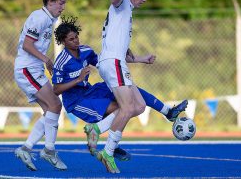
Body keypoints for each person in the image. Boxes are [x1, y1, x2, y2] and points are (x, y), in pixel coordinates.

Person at [50, 16, 187, 170]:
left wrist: (141, 59)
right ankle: (110, 145)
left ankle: (168, 111)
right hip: (77, 102)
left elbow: (107, 61)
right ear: (63, 41)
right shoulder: (62, 61)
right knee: (122, 108)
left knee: (128, 89)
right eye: (71, 39)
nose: (75, 41)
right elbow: (56, 90)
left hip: (91, 90)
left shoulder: (86, 50)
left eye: (76, 37)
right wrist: (78, 79)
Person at [96, 0, 187, 173]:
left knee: (138, 106)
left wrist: (141, 59)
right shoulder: (124, 3)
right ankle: (108, 151)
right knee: (128, 107)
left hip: (114, 62)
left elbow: (122, 51)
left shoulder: (126, 14)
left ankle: (96, 130)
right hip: (112, 63)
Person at [13, 0, 73, 171]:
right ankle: (48, 150)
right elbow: (27, 45)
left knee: (51, 111)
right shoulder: (39, 17)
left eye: (64, 4)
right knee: (55, 105)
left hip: (33, 69)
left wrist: (45, 63)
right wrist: (47, 59)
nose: (62, 7)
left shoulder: (48, 20)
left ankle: (26, 148)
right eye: (60, 3)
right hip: (27, 69)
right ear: (50, 1)